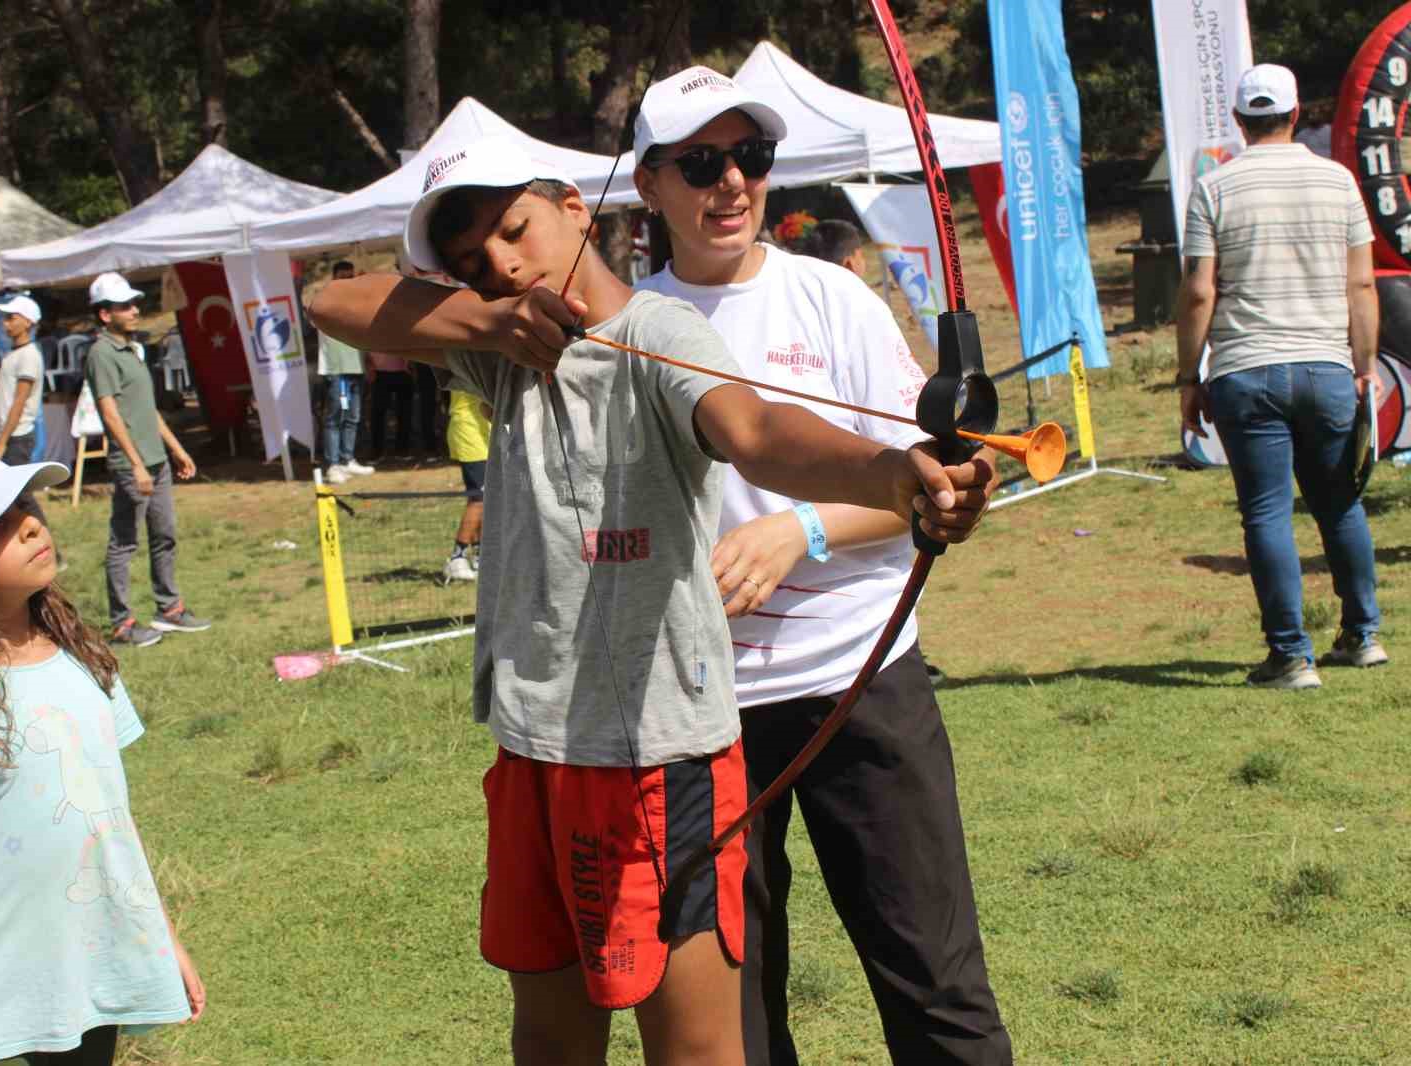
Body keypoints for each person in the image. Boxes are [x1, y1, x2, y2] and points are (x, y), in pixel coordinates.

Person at [308, 133, 993, 1066]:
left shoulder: (661, 331)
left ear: (572, 204)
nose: (504, 264)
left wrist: (891, 474)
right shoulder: (504, 352)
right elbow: (327, 301)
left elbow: (756, 429)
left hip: (655, 753)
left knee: (701, 1047)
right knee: (550, 1039)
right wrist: (484, 321)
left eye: (515, 229)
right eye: (475, 261)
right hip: (532, 746)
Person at [631, 67, 1012, 1066]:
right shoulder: (624, 329)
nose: (731, 185)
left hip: (858, 679)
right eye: (701, 163)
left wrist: (799, 528)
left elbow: (917, 482)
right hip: (699, 710)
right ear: (648, 184)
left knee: (932, 980)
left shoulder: (831, 296)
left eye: (750, 159)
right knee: (731, 1006)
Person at [0, 442, 205, 1065]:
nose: (30, 523)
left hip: (89, 964)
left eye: (24, 505)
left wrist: (160, 937)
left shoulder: (89, 664)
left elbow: (110, 822)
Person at [1177, 63, 1384, 689]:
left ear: (1240, 122)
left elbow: (1198, 293)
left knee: (1266, 512)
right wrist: (1365, 367)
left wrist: (1190, 378)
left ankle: (1291, 656)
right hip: (1325, 365)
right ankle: (1362, 635)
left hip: (1246, 369)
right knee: (1339, 503)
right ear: (1296, 114)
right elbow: (1362, 283)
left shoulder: (1215, 188)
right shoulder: (1338, 181)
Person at [84, 272, 212, 648]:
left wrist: (177, 449)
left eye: (134, 303)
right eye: (125, 305)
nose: (135, 310)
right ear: (105, 314)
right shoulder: (101, 354)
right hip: (131, 466)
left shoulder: (134, 350)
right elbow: (110, 414)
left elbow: (147, 410)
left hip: (157, 462)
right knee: (124, 543)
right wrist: (136, 463)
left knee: (165, 535)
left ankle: (169, 609)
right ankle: (122, 624)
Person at [0, 296, 58, 544]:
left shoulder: (28, 356)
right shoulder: (12, 355)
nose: (5, 323)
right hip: (4, 434)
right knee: (9, 497)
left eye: (11, 318)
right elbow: (2, 401)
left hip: (16, 437)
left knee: (21, 496)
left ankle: (49, 549)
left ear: (27, 322)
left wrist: (2, 442)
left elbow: (19, 402)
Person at [313, 260, 375, 484]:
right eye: (343, 276)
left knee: (353, 416)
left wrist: (368, 362)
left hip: (355, 368)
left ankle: (347, 458)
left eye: (351, 276)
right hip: (336, 370)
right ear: (334, 277)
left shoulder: (357, 301)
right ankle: (333, 464)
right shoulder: (326, 300)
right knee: (335, 417)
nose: (347, 280)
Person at [441, 389, 490, 583]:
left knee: (487, 498)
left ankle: (480, 557)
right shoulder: (474, 363)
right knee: (479, 499)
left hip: (483, 437)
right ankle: (457, 558)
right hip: (470, 436)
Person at [365, 349, 417, 460]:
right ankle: (377, 451)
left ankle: (402, 450)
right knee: (378, 414)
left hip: (403, 371)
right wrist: (370, 366)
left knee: (404, 413)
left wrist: (410, 362)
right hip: (379, 371)